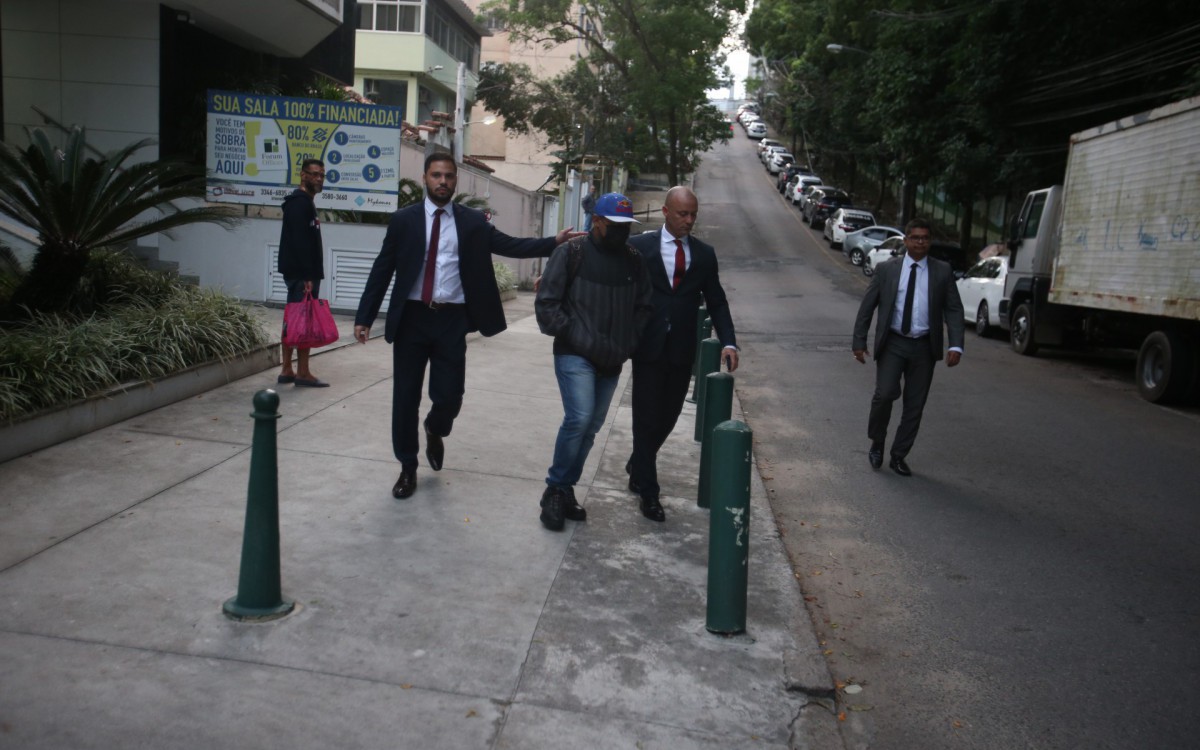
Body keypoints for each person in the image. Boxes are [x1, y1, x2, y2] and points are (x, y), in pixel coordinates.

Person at [353, 153, 581, 500]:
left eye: (448, 176)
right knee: (405, 397)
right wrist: (364, 317)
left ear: (455, 181)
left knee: (450, 396)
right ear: (425, 178)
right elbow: (382, 268)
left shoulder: (472, 221)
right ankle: (407, 467)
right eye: (436, 175)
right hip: (413, 318)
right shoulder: (404, 220)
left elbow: (508, 245)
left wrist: (553, 242)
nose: (442, 181)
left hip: (451, 319)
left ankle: (435, 428)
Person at [535, 193, 653, 531]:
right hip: (575, 354)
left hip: (613, 358)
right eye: (615, 225)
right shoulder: (570, 253)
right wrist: (576, 334)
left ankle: (565, 487)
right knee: (579, 418)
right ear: (597, 222)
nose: (621, 231)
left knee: (591, 428)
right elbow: (547, 305)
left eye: (626, 226)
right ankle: (555, 489)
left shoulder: (633, 259)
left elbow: (645, 306)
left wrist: (629, 343)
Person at [627, 186, 738, 523]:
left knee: (669, 416)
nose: (689, 221)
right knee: (645, 418)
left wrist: (730, 342)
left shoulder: (704, 255)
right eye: (682, 214)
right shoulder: (640, 246)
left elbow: (716, 300)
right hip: (647, 346)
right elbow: (612, 280)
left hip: (681, 349)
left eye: (693, 215)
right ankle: (649, 491)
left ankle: (639, 461)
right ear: (665, 212)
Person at [852, 218, 964, 476]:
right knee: (885, 394)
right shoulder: (887, 270)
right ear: (906, 241)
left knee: (915, 405)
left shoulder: (942, 271)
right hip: (893, 343)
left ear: (930, 241)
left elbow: (954, 310)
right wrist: (859, 341)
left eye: (925, 238)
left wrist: (956, 345)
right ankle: (877, 441)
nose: (920, 242)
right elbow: (867, 307)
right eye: (915, 237)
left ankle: (899, 454)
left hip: (924, 347)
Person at [277, 158, 329, 387]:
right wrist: (308, 276)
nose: (318, 178)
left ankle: (287, 369)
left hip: (300, 273)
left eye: (321, 175)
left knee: (293, 319)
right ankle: (302, 372)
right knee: (303, 321)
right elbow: (300, 242)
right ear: (303, 175)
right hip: (302, 275)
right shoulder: (300, 203)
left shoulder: (302, 202)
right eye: (314, 174)